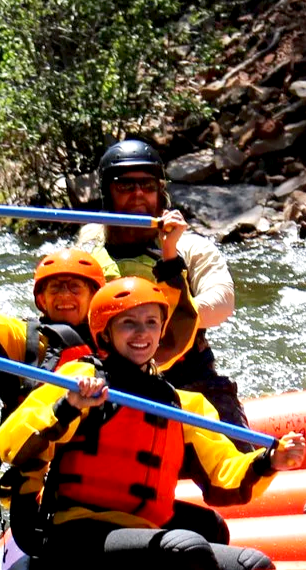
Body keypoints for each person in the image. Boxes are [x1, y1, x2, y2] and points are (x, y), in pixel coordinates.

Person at [0, 277, 306, 570]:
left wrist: (268, 461)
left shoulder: (181, 404)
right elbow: (11, 443)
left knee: (252, 565)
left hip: (140, 537)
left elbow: (224, 477)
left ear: (161, 331)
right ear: (106, 332)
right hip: (76, 545)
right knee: (186, 549)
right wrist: (69, 406)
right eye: (128, 324)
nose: (141, 333)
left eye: (151, 323)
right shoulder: (80, 380)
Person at [0, 194, 197, 418]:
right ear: (41, 300)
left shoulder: (119, 338)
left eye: (75, 287)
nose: (65, 294)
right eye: (55, 287)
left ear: (95, 299)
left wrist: (170, 253)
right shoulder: (22, 340)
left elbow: (175, 329)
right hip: (45, 463)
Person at [74, 138, 248, 425]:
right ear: (108, 192)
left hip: (186, 376)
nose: (138, 194)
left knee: (243, 458)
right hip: (110, 377)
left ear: (160, 192)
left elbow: (222, 306)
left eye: (148, 186)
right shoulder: (89, 248)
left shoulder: (191, 248)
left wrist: (148, 322)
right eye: (125, 186)